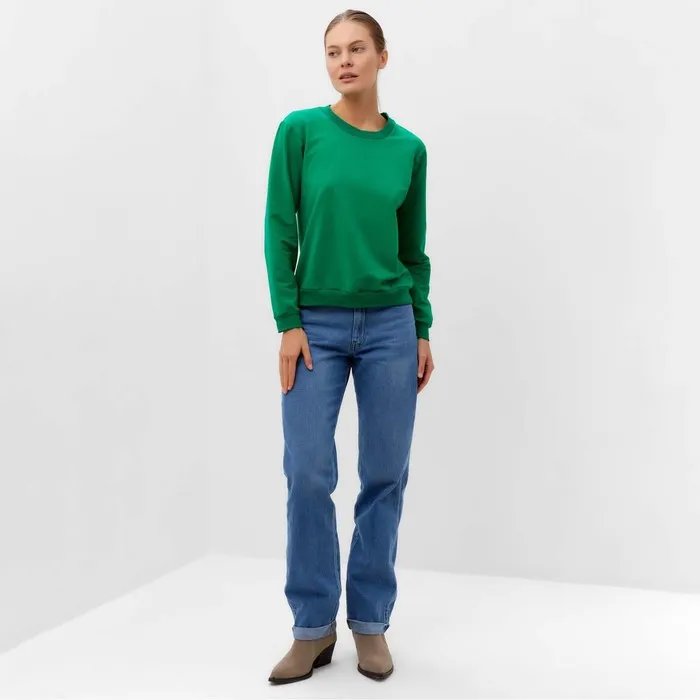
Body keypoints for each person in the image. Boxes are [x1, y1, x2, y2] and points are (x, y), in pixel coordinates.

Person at [264, 9, 435, 685]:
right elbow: (279, 226)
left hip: (391, 324)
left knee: (385, 475)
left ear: (382, 57)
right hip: (317, 328)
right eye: (333, 51)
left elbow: (413, 250)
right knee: (308, 472)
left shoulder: (408, 149)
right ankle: (312, 628)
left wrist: (421, 327)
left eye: (357, 49)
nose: (344, 61)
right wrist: (288, 320)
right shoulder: (301, 132)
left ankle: (369, 623)